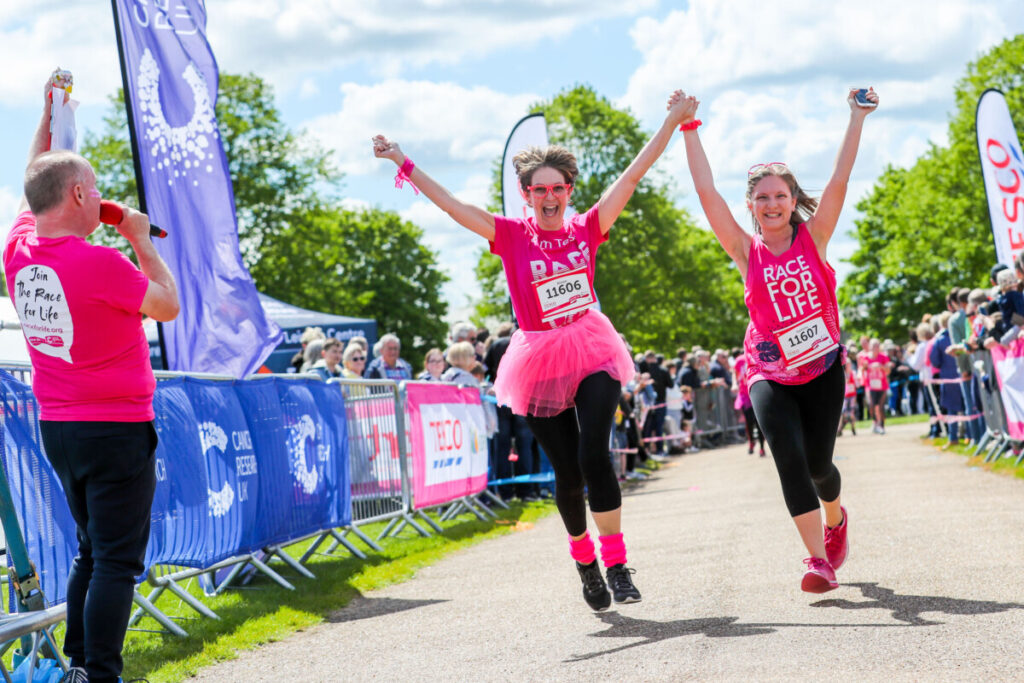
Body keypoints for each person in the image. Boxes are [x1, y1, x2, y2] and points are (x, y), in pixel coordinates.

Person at [373, 89, 695, 610]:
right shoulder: (510, 235)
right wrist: (402, 161)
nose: (550, 196)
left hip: (591, 347)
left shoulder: (588, 228)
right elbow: (454, 207)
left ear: (569, 190)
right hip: (538, 356)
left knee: (595, 454)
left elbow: (632, 175)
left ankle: (616, 563)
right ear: (525, 194)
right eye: (539, 188)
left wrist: (674, 122)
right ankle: (585, 562)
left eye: (558, 188)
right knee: (567, 474)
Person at [4, 72, 180, 683]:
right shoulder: (102, 263)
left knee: (90, 550)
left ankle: (79, 665)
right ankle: (99, 673)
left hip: (60, 426)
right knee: (115, 561)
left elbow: (36, 180)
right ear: (79, 193)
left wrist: (47, 114)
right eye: (95, 187)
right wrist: (139, 238)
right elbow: (167, 304)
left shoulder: (18, 249)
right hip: (116, 427)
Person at [682, 86, 878, 593]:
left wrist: (855, 117)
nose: (772, 204)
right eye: (762, 198)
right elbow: (707, 194)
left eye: (780, 196)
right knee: (788, 458)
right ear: (752, 205)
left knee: (819, 465)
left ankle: (836, 520)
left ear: (793, 202)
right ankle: (818, 561)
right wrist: (688, 129)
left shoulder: (815, 237)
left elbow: (840, 178)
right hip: (768, 371)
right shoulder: (745, 252)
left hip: (822, 366)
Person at [733, 353, 765, 456]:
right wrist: (734, 384)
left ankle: (762, 447)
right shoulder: (739, 360)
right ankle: (751, 442)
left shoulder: (757, 355)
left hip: (756, 391)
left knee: (759, 422)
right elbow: (734, 373)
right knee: (749, 421)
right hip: (745, 395)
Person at [837, 358, 858, 437]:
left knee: (852, 413)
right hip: (845, 397)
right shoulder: (843, 374)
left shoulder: (853, 373)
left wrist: (854, 379)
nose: (848, 366)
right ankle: (840, 428)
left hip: (852, 396)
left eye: (849, 364)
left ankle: (853, 428)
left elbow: (857, 384)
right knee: (844, 413)